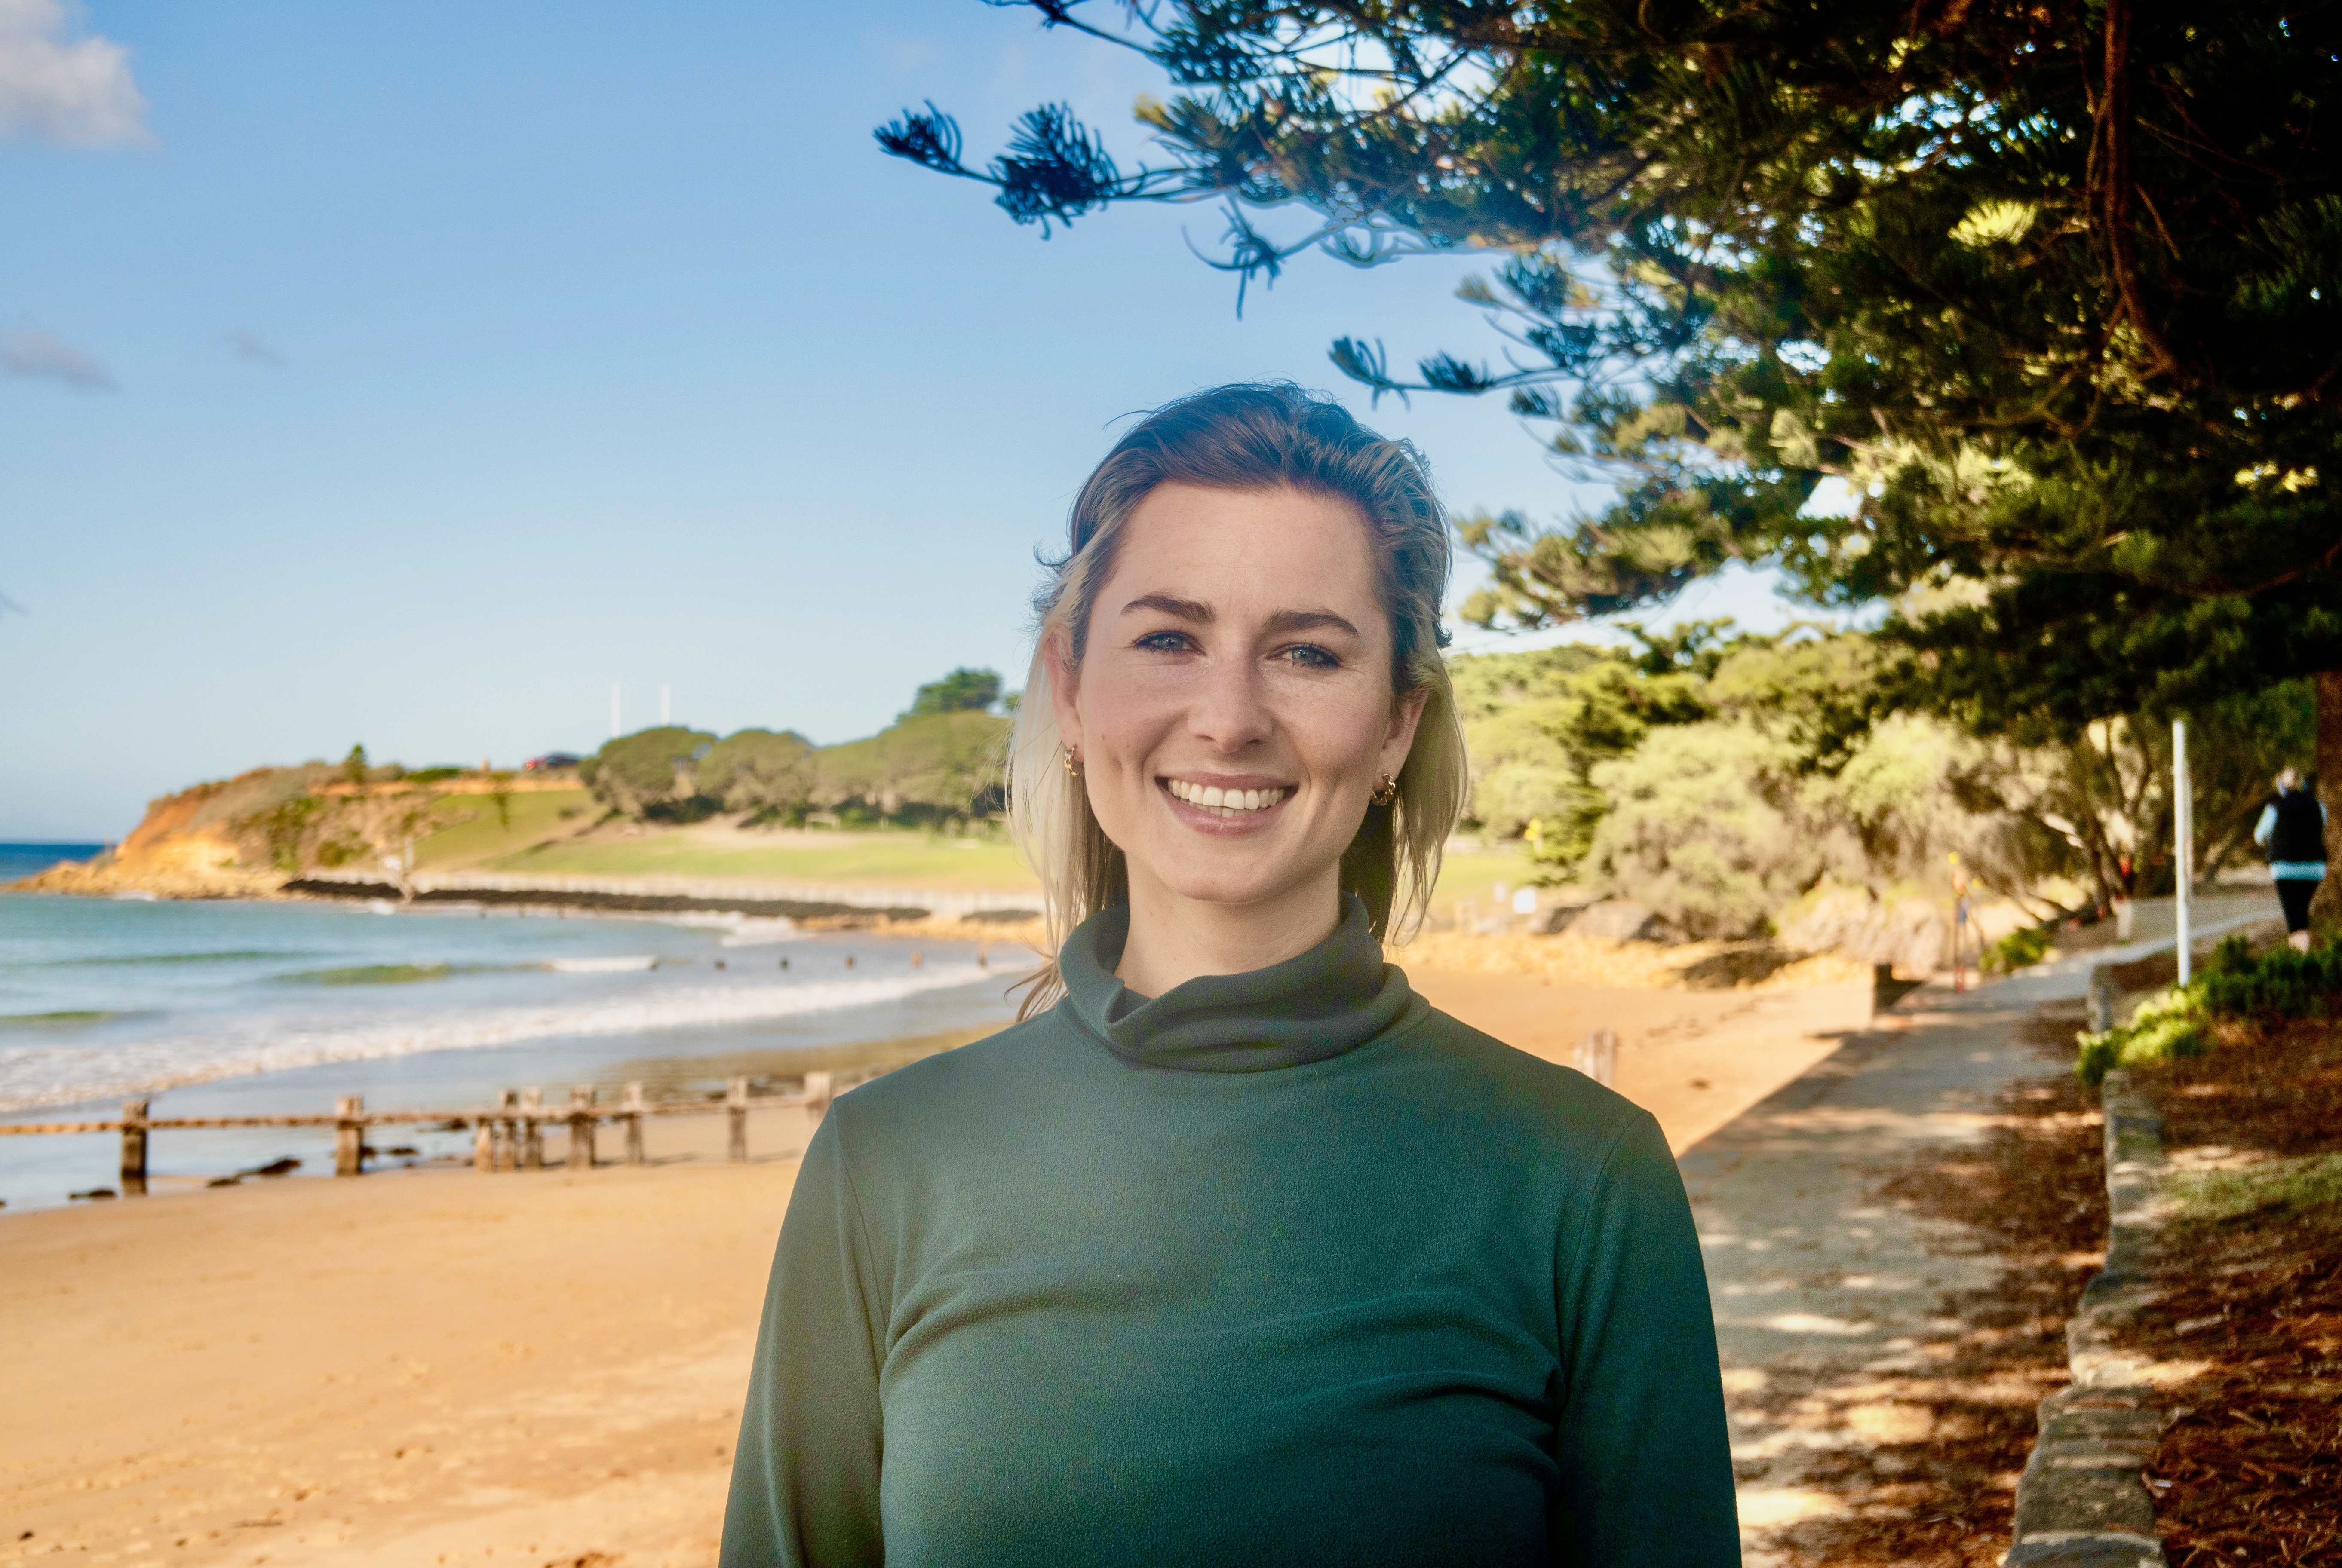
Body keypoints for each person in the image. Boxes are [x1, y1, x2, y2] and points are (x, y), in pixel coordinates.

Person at [721, 385, 1739, 1567]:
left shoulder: (1583, 1178)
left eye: (1307, 652)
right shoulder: (884, 1161)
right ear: (1069, 688)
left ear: (1396, 725)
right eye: (1169, 639)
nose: (1229, 717)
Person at [2255, 768, 2327, 952]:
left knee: (2293, 916)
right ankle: (2301, 952)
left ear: (2281, 787)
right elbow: (2322, 828)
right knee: (2301, 911)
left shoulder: (2274, 808)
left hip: (2284, 868)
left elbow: (2259, 836)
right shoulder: (2318, 807)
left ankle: (2299, 957)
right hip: (2314, 868)